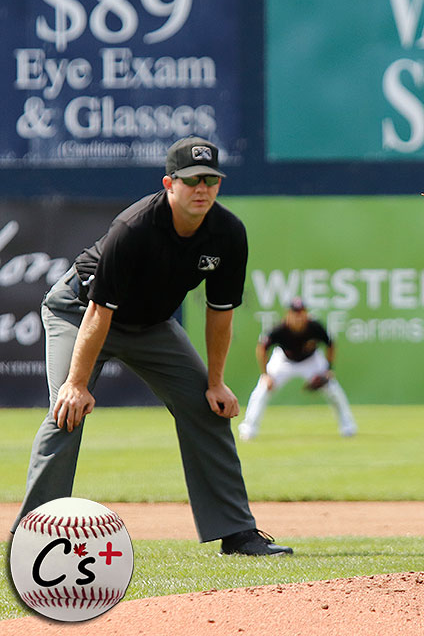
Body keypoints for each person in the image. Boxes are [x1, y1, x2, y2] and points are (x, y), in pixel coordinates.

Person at [12, 136, 293, 556]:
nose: (202, 189)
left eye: (211, 180)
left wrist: (216, 382)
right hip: (79, 311)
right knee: (66, 411)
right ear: (169, 183)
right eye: (191, 179)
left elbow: (220, 314)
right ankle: (32, 536)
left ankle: (237, 532)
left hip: (150, 324)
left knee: (207, 407)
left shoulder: (227, 233)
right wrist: (77, 382)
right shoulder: (135, 227)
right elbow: (98, 314)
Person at [238, 298, 357, 440]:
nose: (298, 316)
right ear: (288, 314)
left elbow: (331, 344)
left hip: (311, 360)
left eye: (301, 312)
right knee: (263, 389)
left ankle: (348, 427)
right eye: (295, 312)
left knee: (333, 390)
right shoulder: (280, 329)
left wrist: (328, 369)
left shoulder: (314, 326)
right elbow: (262, 348)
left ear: (306, 313)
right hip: (284, 361)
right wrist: (265, 375)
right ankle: (248, 429)